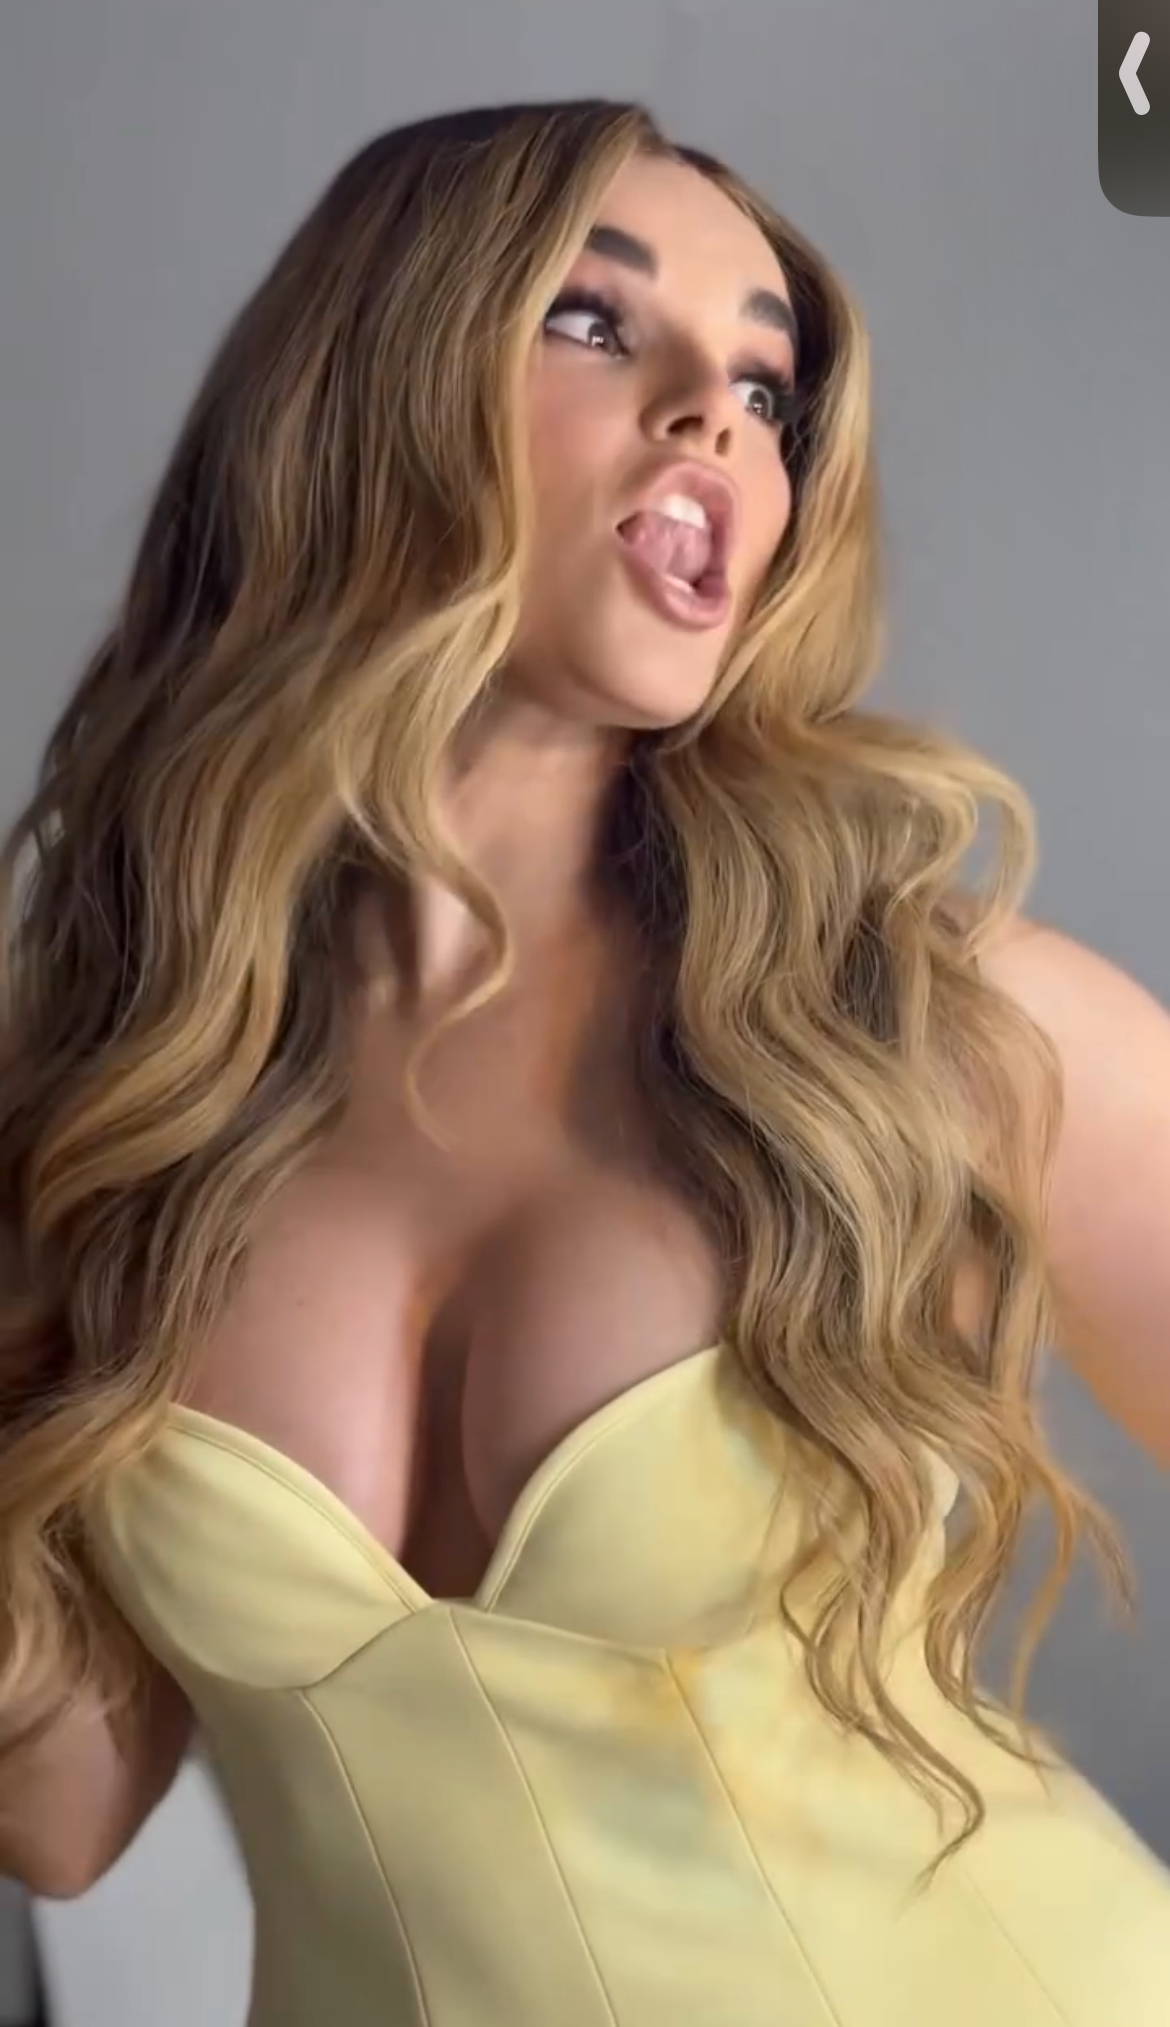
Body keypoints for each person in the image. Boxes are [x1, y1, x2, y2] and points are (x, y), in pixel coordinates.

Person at [0, 96, 1168, 2027]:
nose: (716, 416)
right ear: (367, 391)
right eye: (594, 320)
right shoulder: (130, 1106)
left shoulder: (928, 1026)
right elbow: (60, 1810)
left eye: (765, 387)